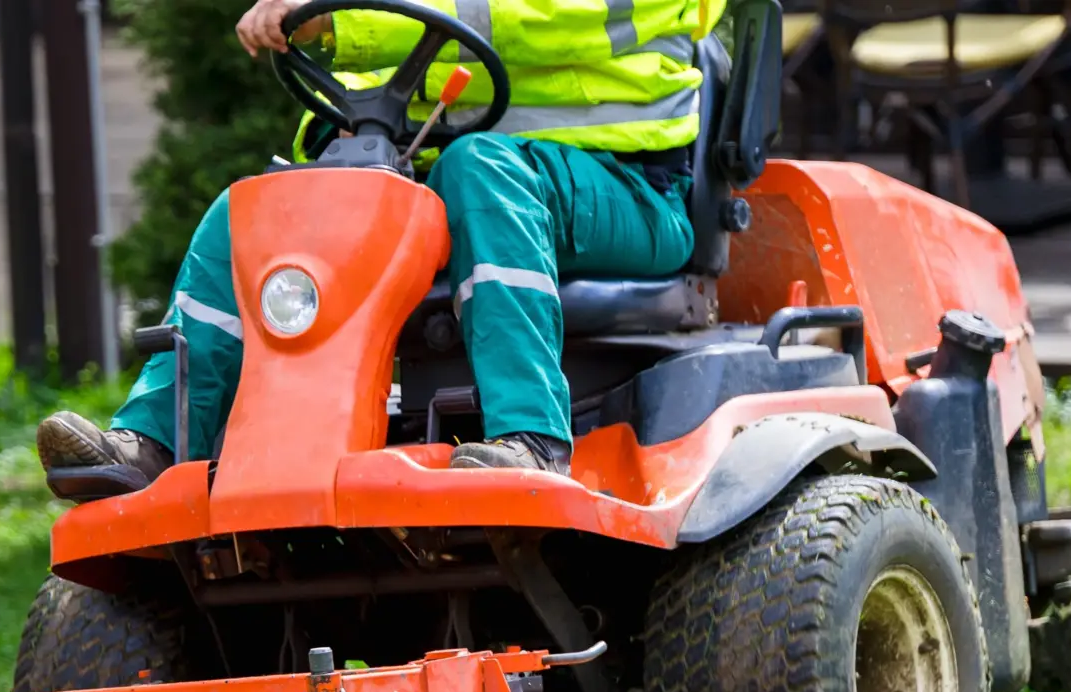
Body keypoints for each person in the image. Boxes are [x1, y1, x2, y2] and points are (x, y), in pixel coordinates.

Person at [38, 0, 713, 487]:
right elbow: (396, 67)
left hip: (629, 189)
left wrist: (343, 24)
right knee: (257, 208)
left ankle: (531, 440)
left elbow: (529, 20)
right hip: (462, 190)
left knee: (480, 168)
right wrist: (342, 135)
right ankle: (153, 439)